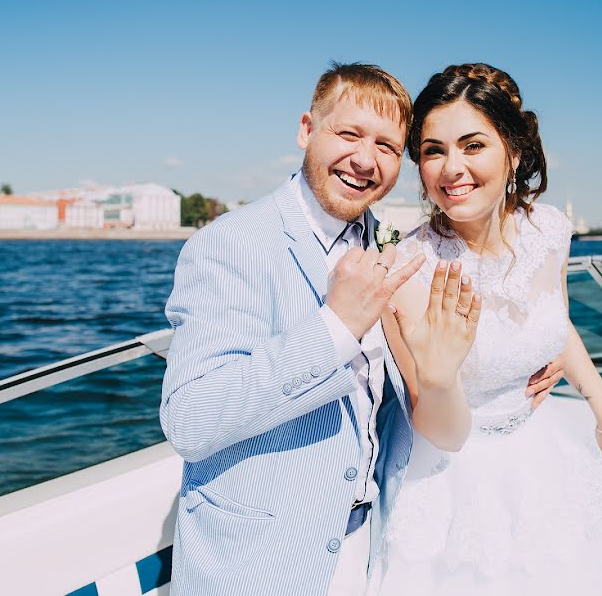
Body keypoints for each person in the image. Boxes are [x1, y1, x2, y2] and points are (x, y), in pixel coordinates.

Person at [159, 62, 564, 596]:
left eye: (388, 147)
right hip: (261, 564)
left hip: (372, 545)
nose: (364, 160)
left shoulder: (390, 249)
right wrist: (335, 327)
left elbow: (401, 392)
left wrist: (526, 356)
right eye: (348, 134)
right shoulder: (233, 244)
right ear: (308, 130)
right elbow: (190, 420)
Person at [371, 63, 602, 595]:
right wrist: (441, 376)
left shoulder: (550, 230)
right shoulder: (408, 268)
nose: (451, 168)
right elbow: (438, 428)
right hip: (448, 478)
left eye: (472, 145)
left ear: (513, 151)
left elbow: (556, 321)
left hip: (544, 451)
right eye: (433, 150)